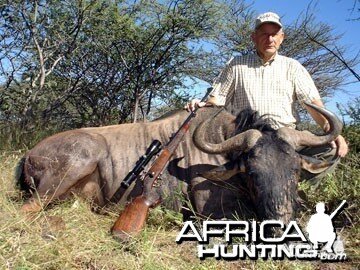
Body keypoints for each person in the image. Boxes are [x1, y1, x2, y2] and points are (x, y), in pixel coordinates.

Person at [186, 12, 348, 158]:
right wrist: (202, 105)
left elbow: (313, 105)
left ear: (282, 37)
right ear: (253, 37)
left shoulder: (293, 66)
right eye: (264, 34)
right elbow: (216, 100)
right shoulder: (236, 64)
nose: (269, 39)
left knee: (329, 149)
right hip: (249, 138)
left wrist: (331, 131)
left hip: (285, 138)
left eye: (274, 34)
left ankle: (293, 183)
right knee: (200, 148)